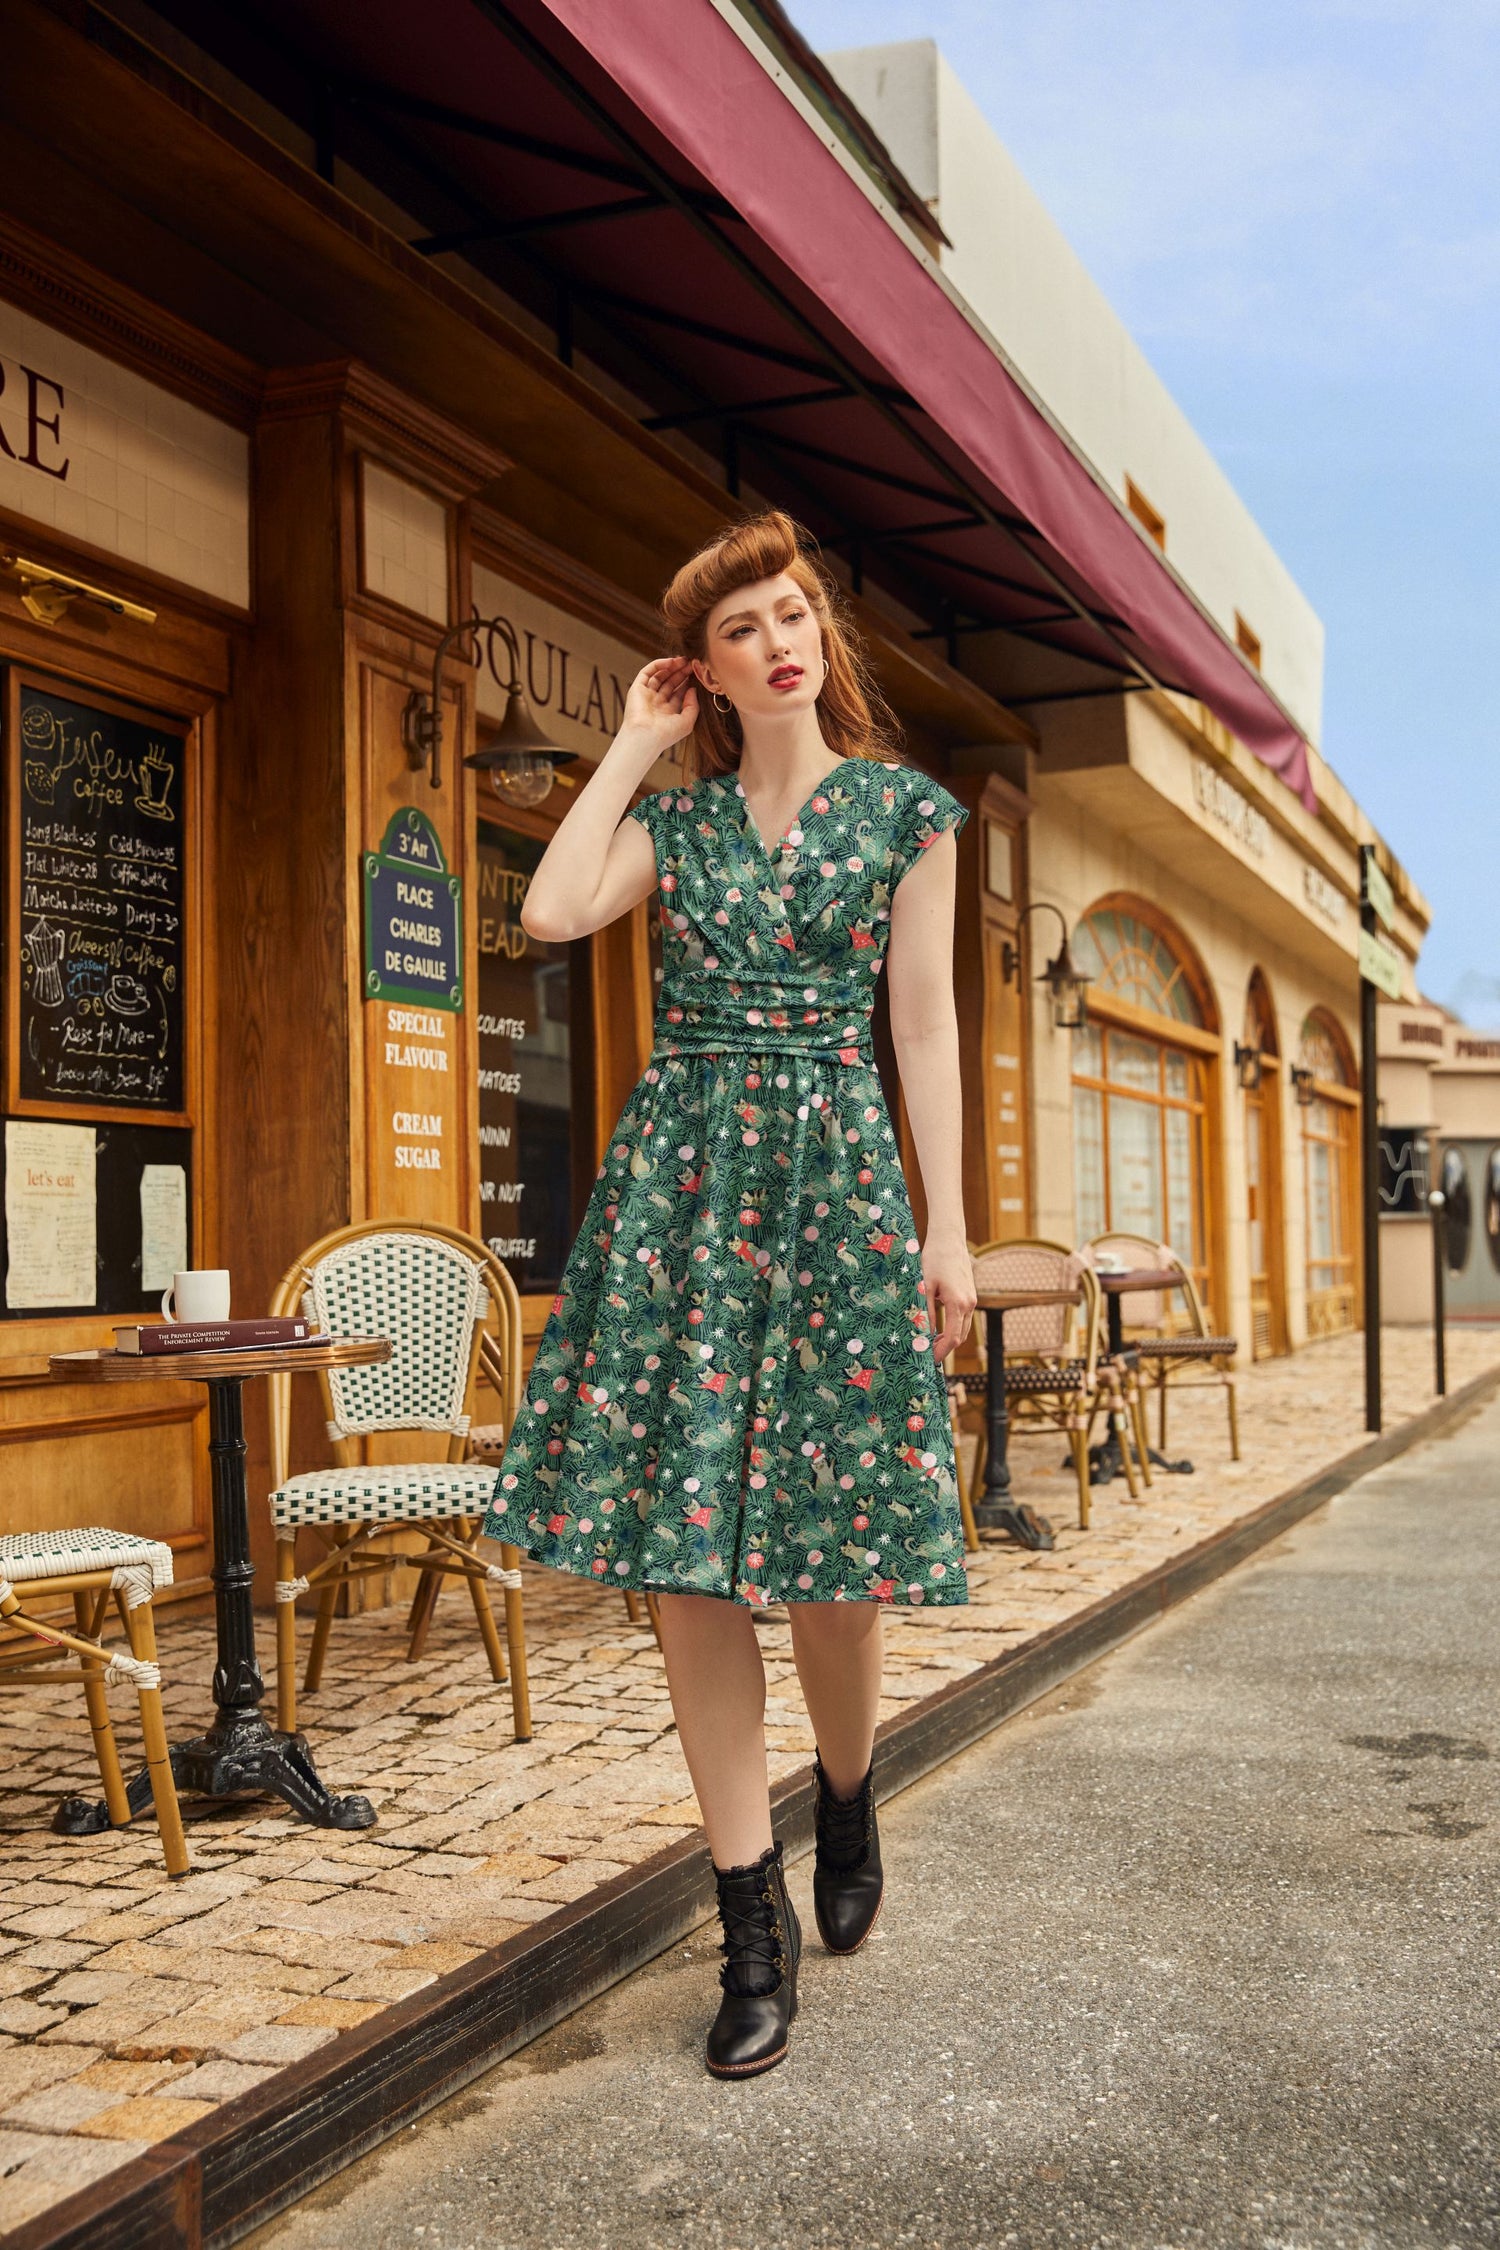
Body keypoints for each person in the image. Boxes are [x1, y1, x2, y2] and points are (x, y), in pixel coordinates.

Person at [481, 510, 975, 2078]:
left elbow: (924, 1027)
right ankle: (748, 1921)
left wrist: (950, 1229)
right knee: (688, 1568)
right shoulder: (678, 828)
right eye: (744, 626)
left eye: (794, 612)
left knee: (837, 1577)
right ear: (704, 666)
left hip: (836, 1184)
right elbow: (551, 909)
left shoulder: (906, 814)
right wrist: (631, 744)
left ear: (822, 635)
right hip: (683, 1194)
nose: (780, 640)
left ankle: (847, 1780)